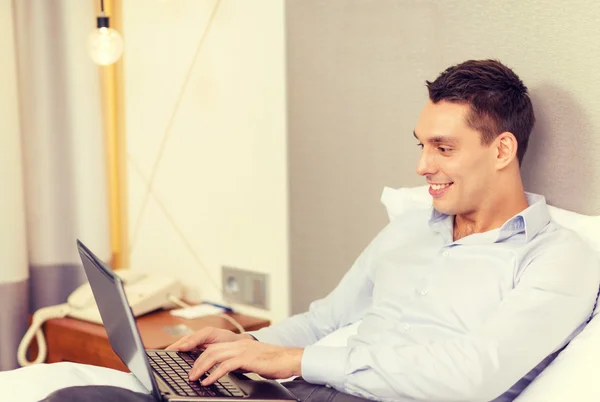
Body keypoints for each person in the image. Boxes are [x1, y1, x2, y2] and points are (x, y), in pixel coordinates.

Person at [37, 59, 600, 402]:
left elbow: (474, 375)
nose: (422, 166)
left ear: (503, 149)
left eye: (444, 148)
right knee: (73, 397)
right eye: (421, 144)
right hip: (313, 390)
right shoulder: (410, 230)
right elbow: (329, 319)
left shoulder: (559, 257)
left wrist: (300, 362)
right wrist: (249, 345)